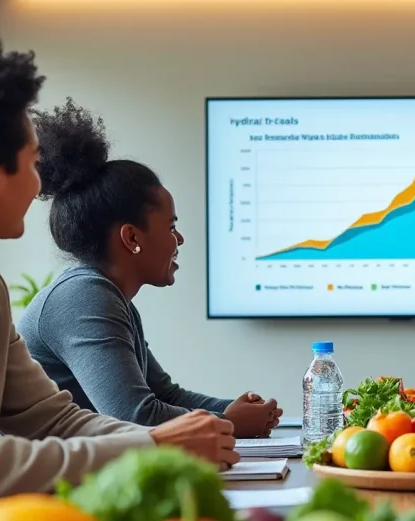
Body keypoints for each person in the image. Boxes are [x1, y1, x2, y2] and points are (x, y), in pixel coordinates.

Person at [0, 36, 238, 512]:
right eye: (32, 164)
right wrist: (155, 445)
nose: (38, 186)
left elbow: (56, 420)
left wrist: (166, 443)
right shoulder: (80, 294)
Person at [17, 99, 281, 438]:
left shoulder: (109, 297)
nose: (179, 239)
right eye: (171, 227)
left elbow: (164, 395)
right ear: (131, 237)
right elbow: (135, 416)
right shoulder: (83, 296)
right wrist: (230, 424)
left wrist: (231, 410)